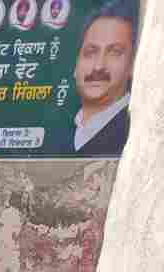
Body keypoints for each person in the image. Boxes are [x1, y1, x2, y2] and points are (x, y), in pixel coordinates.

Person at [68, 0, 136, 155]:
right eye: (90, 52)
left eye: (114, 52)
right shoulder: (60, 133)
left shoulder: (135, 133)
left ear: (132, 65)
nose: (98, 66)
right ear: (76, 65)